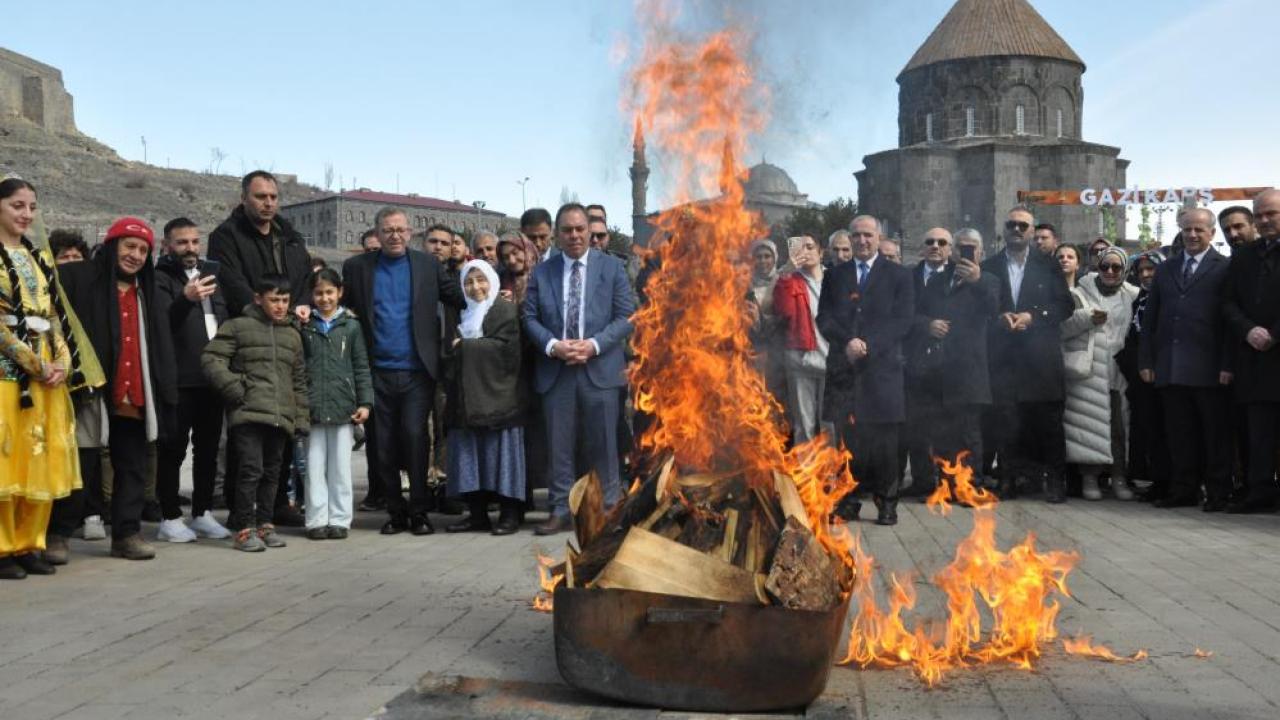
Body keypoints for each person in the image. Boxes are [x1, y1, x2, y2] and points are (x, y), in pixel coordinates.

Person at [59, 216, 178, 560]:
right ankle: (58, 534)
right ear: (112, 246)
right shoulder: (79, 277)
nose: (135, 255)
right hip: (91, 391)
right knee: (80, 465)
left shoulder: (148, 292)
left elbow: (161, 344)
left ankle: (126, 535)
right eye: (129, 246)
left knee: (132, 467)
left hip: (134, 393)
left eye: (143, 250)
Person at [0, 178, 102, 577]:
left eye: (31, 207)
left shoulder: (39, 258)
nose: (26, 214)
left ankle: (29, 542)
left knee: (40, 455)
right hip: (9, 373)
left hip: (46, 373)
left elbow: (55, 314)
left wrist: (62, 361)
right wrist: (31, 362)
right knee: (8, 457)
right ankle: (3, 547)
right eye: (17, 205)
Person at [343, 207, 465, 536]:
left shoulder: (427, 265)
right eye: (388, 230)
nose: (395, 235)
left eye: (400, 229)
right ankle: (395, 512)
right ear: (377, 234)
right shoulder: (357, 268)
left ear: (410, 233)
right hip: (375, 371)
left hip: (417, 371)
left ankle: (419, 511)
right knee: (382, 444)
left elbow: (458, 297)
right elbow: (338, 304)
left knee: (415, 438)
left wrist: (492, 297)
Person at [522, 203, 635, 535]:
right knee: (559, 446)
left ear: (589, 231)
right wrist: (553, 345)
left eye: (580, 229)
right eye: (567, 230)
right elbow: (529, 317)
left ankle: (608, 509)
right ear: (557, 235)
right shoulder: (542, 272)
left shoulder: (612, 268)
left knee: (604, 445)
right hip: (556, 372)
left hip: (599, 369)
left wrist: (594, 345)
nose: (574, 235)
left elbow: (626, 316)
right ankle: (560, 509)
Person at [207, 170, 310, 527]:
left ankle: (276, 504)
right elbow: (232, 282)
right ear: (244, 198)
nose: (268, 203)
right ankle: (241, 511)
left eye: (273, 197)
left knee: (281, 429)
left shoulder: (289, 236)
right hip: (249, 337)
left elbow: (304, 278)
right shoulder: (226, 236)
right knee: (248, 436)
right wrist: (261, 309)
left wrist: (298, 306)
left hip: (287, 334)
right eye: (260, 196)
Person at [817, 215, 914, 525]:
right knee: (848, 443)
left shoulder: (899, 275)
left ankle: (887, 503)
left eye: (868, 235)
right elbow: (824, 318)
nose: (862, 240)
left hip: (882, 371)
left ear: (879, 237)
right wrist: (847, 341)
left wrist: (869, 344)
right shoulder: (835, 275)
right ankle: (847, 501)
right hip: (845, 372)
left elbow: (903, 321)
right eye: (856, 235)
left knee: (885, 443)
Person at [202, 273, 308, 551]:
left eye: (285, 300)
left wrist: (300, 418)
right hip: (248, 414)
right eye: (274, 300)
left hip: (281, 416)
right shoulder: (237, 326)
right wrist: (235, 389)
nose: (280, 306)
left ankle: (265, 525)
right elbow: (211, 358)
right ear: (258, 299)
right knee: (250, 470)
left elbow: (298, 381)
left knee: (273, 473)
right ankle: (243, 528)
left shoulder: (292, 335)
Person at [1139, 208, 1233, 511]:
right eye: (1187, 229)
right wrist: (1146, 361)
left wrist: (1227, 364)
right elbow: (1150, 319)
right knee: (1179, 435)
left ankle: (1218, 492)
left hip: (1210, 369)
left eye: (1199, 230)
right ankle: (1184, 490)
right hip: (1170, 367)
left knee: (1214, 436)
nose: (1192, 235)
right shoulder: (1166, 268)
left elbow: (1229, 322)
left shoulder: (1225, 267)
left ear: (1211, 233)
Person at [981, 206, 1073, 503]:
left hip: (1040, 358)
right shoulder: (989, 266)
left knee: (1048, 424)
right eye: (1012, 224)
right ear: (1004, 229)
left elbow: (1065, 305)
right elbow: (980, 308)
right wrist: (999, 317)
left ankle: (1055, 481)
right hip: (1004, 359)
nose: (1017, 230)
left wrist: (1034, 316)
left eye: (1023, 225)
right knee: (1006, 423)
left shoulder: (1049, 265)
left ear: (1032, 231)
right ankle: (1008, 480)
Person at [153, 217, 231, 542]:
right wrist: (185, 298)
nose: (190, 248)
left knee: (209, 449)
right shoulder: (159, 278)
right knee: (172, 450)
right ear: (167, 245)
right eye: (182, 242)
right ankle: (170, 516)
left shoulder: (211, 277)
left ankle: (202, 513)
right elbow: (161, 324)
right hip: (179, 380)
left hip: (211, 379)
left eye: (195, 242)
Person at [904, 228, 998, 493]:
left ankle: (971, 486)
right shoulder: (937, 280)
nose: (965, 252)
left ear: (981, 252)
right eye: (960, 247)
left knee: (969, 433)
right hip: (939, 370)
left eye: (971, 247)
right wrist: (928, 325)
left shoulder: (989, 280)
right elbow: (914, 314)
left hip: (969, 370)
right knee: (943, 433)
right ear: (953, 251)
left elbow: (994, 311)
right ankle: (947, 485)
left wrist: (976, 282)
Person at [443, 260, 527, 535]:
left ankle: (509, 515)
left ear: (492, 281)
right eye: (468, 281)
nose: (475, 287)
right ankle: (477, 515)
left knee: (501, 460)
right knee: (471, 459)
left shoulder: (504, 310)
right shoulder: (464, 314)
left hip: (500, 399)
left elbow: (508, 350)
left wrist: (465, 347)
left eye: (481, 280)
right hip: (467, 401)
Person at [299, 269, 372, 540]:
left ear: (340, 292)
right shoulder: (304, 325)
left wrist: (365, 402)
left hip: (343, 406)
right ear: (311, 295)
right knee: (314, 467)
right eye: (319, 293)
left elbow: (361, 366)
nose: (325, 298)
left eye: (330, 292)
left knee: (340, 468)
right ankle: (316, 520)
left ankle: (340, 518)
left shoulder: (351, 326)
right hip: (313, 406)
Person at [1060, 246, 1137, 500]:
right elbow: (1062, 328)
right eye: (1105, 266)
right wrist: (1088, 318)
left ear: (1125, 269)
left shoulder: (1132, 295)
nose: (1110, 271)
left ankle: (1119, 477)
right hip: (1090, 371)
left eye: (1116, 267)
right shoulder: (1079, 293)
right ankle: (1089, 478)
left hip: (1119, 371)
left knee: (1119, 428)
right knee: (1089, 427)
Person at [1221, 189, 1280, 513]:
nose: (1265, 220)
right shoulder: (1244, 256)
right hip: (1254, 358)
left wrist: (1274, 334)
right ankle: (1260, 492)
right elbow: (1228, 301)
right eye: (1260, 215)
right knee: (1259, 433)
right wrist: (1248, 329)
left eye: (1272, 213)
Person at [1115, 249, 1170, 501]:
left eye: (1151, 269)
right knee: (1149, 430)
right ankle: (1156, 481)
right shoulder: (1139, 301)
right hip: (1141, 378)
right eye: (1141, 271)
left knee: (1166, 430)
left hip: (1164, 374)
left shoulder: (1170, 298)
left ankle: (1172, 483)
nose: (1146, 275)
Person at [902, 228, 953, 495]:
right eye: (930, 242)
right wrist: (926, 325)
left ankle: (946, 483)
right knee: (917, 425)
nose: (935, 246)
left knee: (946, 426)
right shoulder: (908, 277)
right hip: (915, 362)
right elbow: (899, 313)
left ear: (950, 249)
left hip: (949, 363)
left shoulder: (958, 276)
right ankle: (922, 482)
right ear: (922, 247)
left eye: (942, 242)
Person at [772, 236, 829, 445]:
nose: (805, 252)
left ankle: (832, 466)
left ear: (821, 252)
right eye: (800, 247)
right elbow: (783, 311)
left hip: (831, 360)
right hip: (800, 361)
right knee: (804, 425)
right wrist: (786, 274)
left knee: (829, 424)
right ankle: (806, 466)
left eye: (810, 247)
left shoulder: (834, 278)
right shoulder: (790, 279)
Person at [498, 232, 539, 304]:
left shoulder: (544, 276)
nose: (512, 261)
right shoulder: (500, 280)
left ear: (526, 250)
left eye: (515, 253)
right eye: (506, 257)